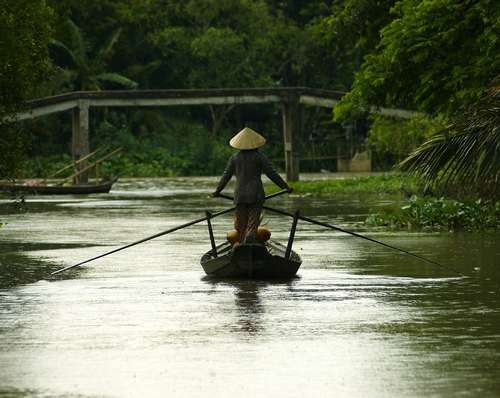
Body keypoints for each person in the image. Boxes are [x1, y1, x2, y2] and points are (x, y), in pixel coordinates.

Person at [212, 127, 292, 244]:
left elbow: (226, 176)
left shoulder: (235, 158)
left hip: (240, 195)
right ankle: (250, 238)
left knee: (241, 226)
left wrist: (217, 191)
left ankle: (243, 243)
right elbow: (271, 173)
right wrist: (285, 187)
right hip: (256, 195)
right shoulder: (259, 157)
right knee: (252, 223)